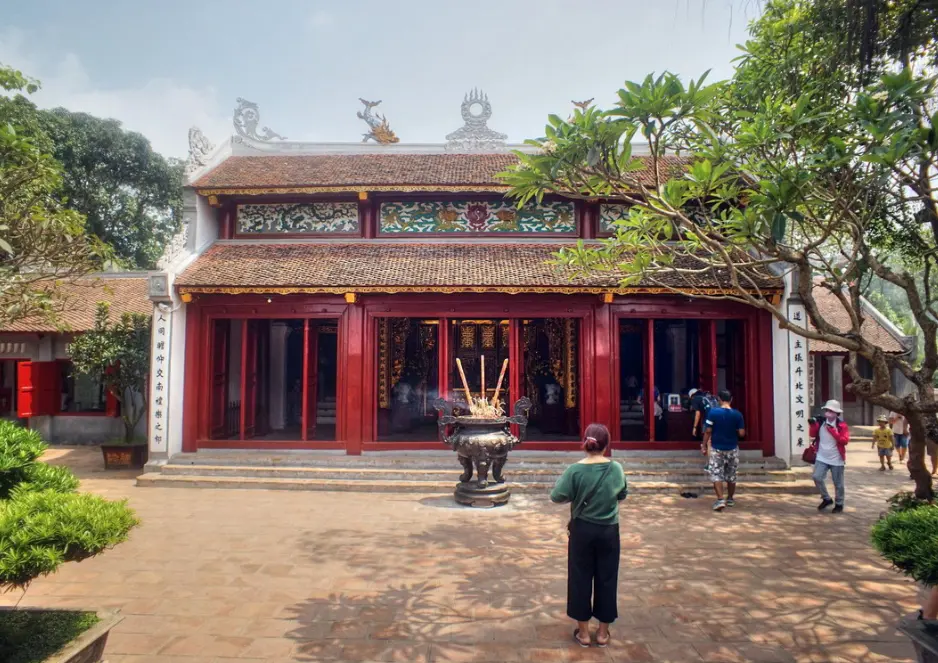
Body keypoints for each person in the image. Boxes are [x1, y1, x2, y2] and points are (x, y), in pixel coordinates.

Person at [550, 423, 628, 648]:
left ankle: (583, 633)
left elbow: (557, 496)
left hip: (582, 530)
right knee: (607, 577)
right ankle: (603, 633)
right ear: (607, 444)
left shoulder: (575, 470)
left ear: (585, 442)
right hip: (608, 530)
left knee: (580, 577)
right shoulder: (616, 468)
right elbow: (622, 494)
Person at [701, 389, 745, 511]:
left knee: (716, 474)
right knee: (731, 475)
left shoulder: (713, 413)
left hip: (717, 448)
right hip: (732, 448)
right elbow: (742, 433)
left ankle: (720, 499)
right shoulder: (738, 415)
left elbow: (708, 430)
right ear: (731, 400)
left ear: (719, 399)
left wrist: (704, 445)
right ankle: (730, 498)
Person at [809, 399, 850, 513]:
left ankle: (839, 503)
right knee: (817, 477)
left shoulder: (841, 425)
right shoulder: (821, 422)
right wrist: (813, 425)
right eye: (827, 410)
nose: (828, 413)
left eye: (831, 411)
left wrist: (834, 432)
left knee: (838, 483)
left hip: (836, 458)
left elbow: (844, 440)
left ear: (837, 413)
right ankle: (826, 498)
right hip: (822, 456)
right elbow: (812, 434)